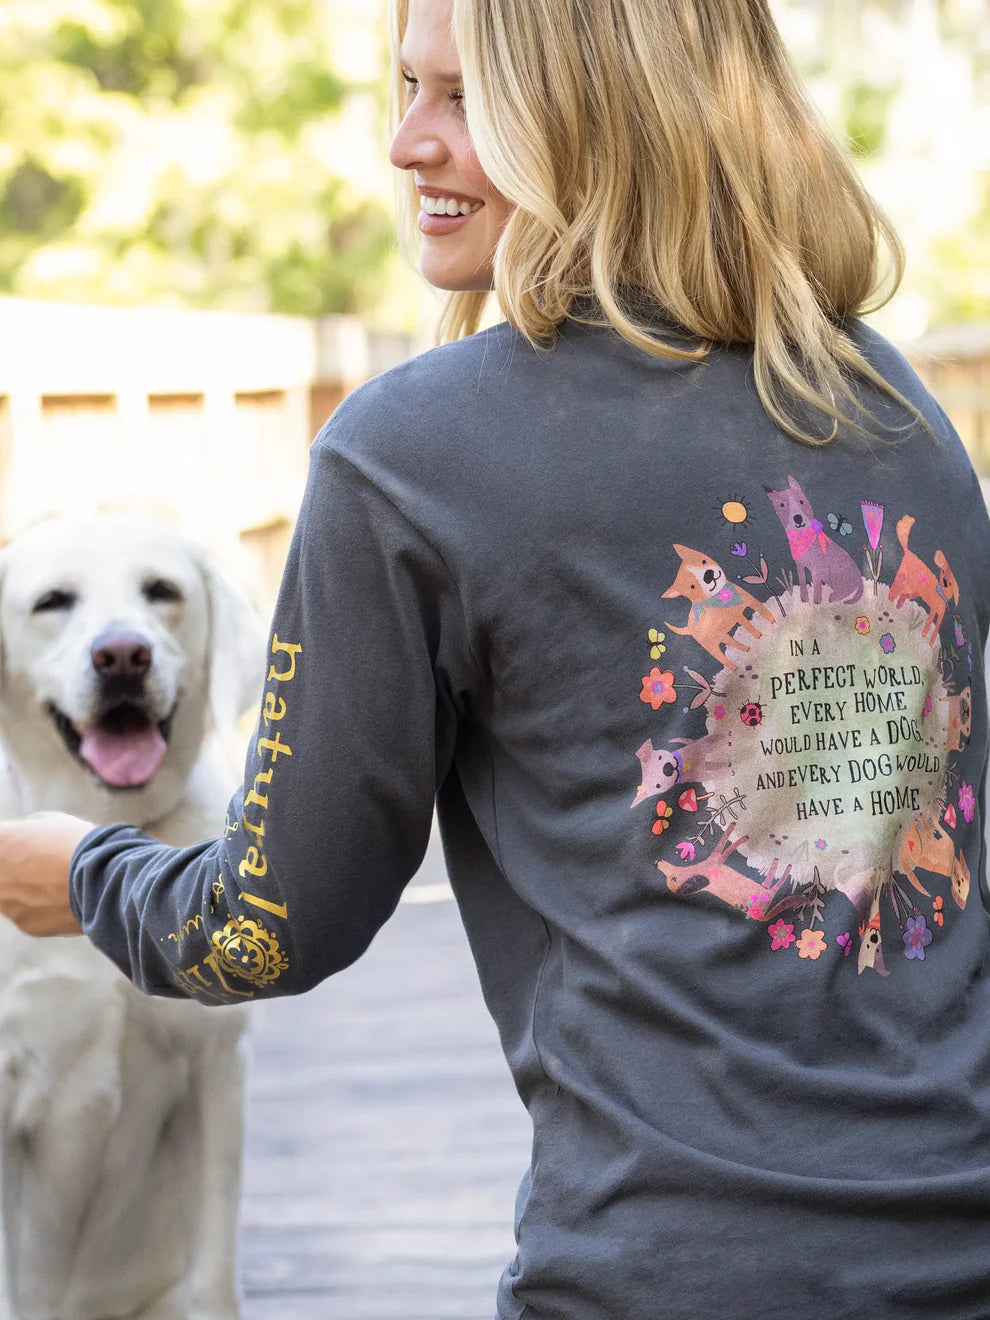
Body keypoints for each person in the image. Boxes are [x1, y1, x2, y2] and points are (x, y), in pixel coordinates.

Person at [1, 0, 989, 1316]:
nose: (407, 143)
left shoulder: (412, 449)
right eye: (405, 89)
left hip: (651, 1273)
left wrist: (90, 872)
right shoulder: (897, 408)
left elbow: (265, 927)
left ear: (606, 113)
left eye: (465, 99)